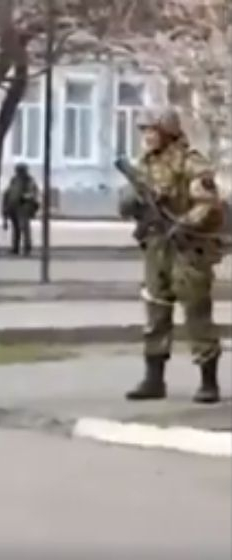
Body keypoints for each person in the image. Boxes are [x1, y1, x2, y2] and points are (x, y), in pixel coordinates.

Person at [119, 107, 226, 403]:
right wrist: (131, 201)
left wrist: (183, 223)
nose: (147, 136)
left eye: (152, 130)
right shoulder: (144, 166)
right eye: (144, 131)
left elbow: (207, 204)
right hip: (156, 247)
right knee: (155, 310)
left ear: (167, 131)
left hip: (187, 248)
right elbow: (126, 205)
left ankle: (208, 381)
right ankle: (154, 379)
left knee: (196, 313)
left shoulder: (190, 163)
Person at [2, 163, 40, 256]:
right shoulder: (14, 180)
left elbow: (33, 194)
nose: (18, 172)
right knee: (17, 229)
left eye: (20, 170)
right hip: (14, 207)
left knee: (23, 227)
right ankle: (16, 248)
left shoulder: (28, 180)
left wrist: (23, 198)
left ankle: (26, 247)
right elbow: (9, 192)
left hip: (23, 207)